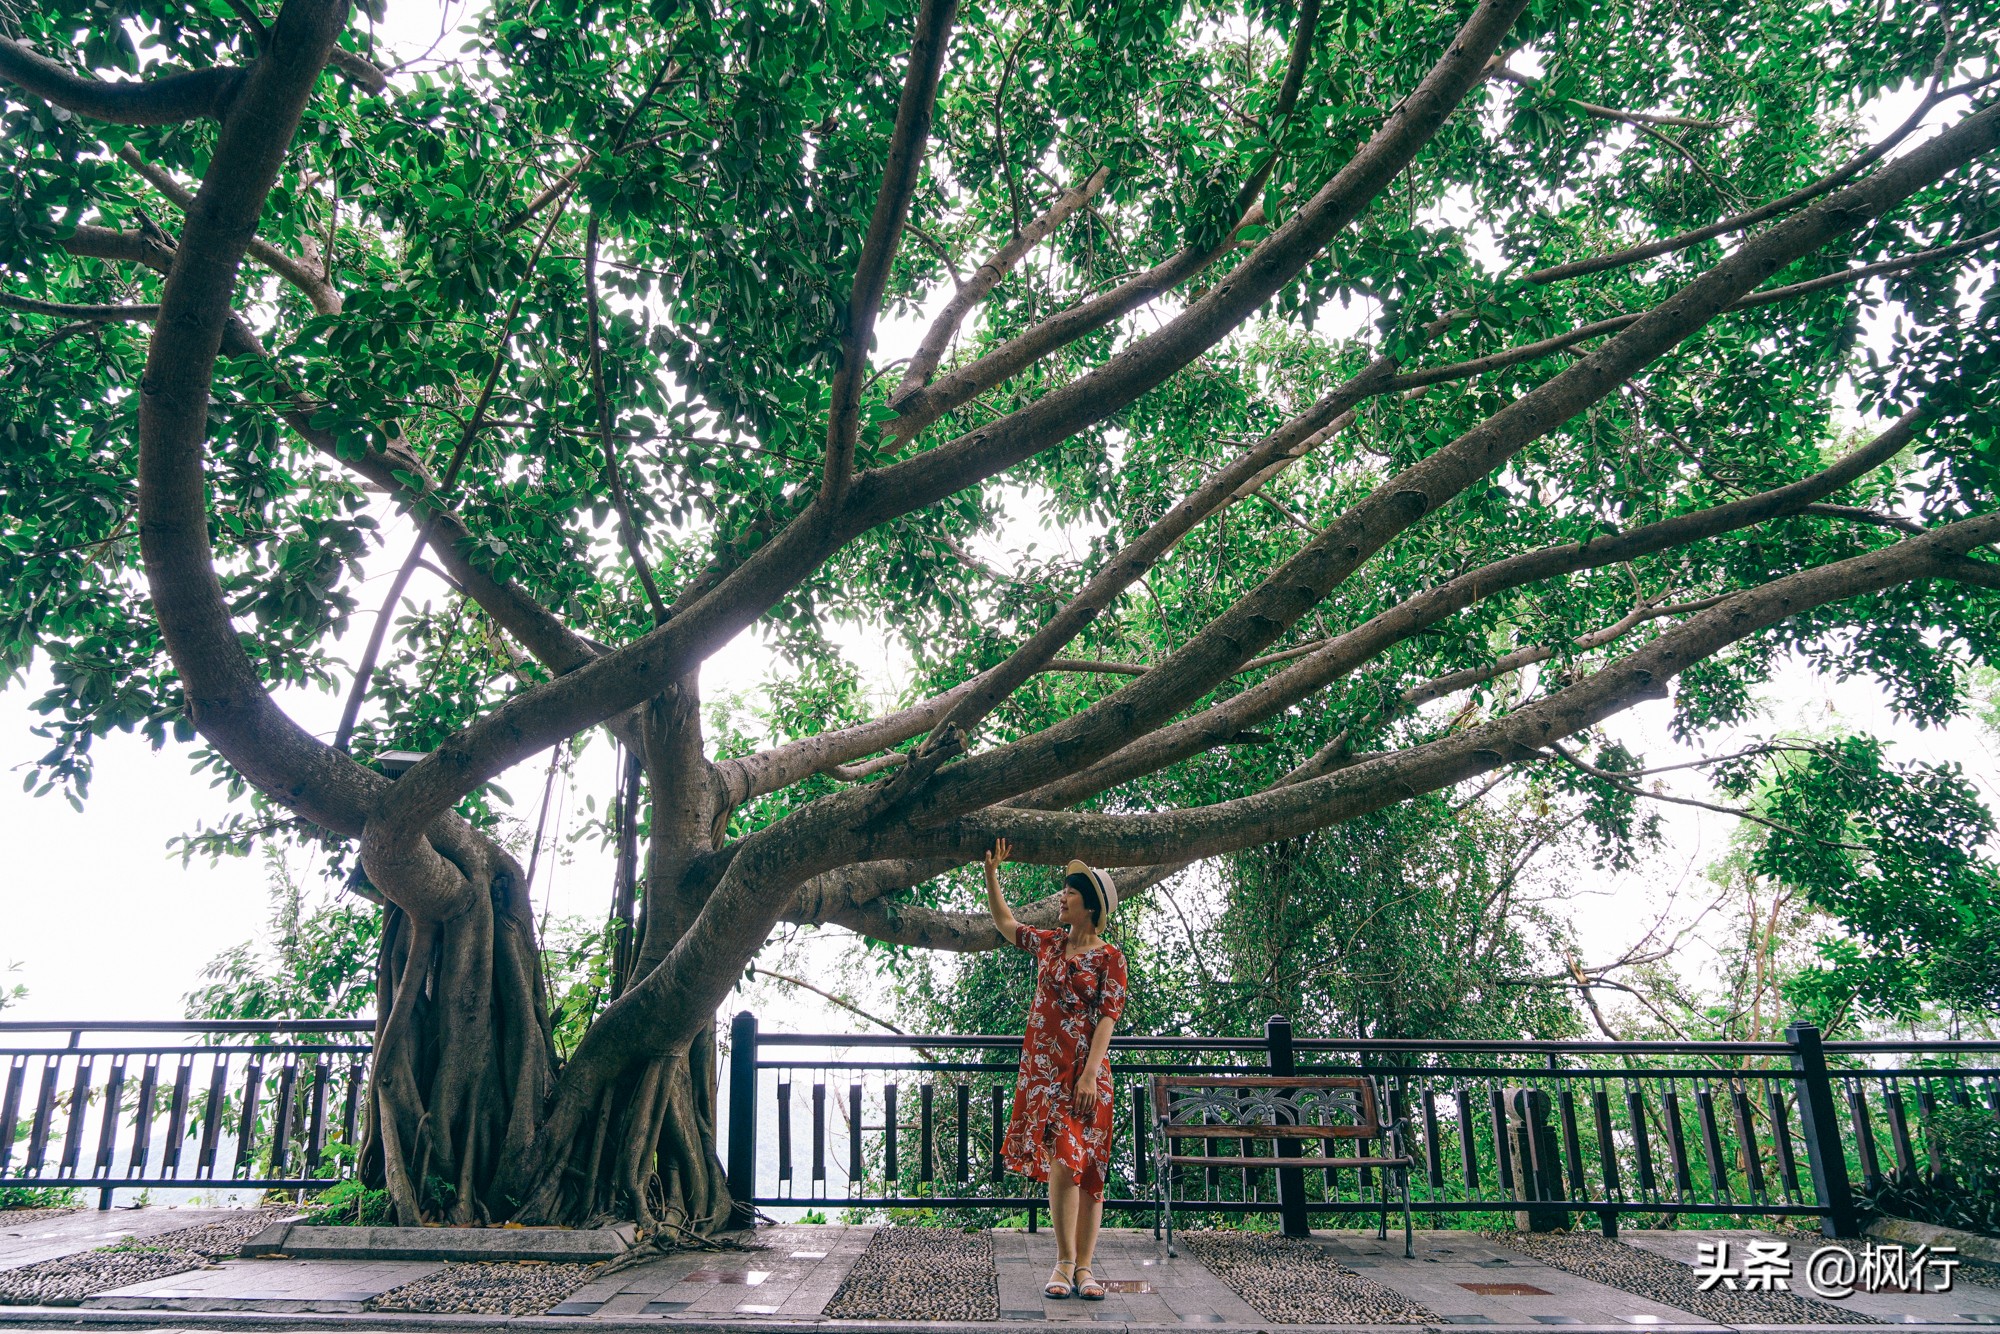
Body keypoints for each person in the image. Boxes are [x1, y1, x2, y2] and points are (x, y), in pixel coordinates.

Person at [984, 837, 1128, 1302]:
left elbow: (1107, 1017)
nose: (1061, 898)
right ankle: (1065, 1262)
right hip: (1045, 1077)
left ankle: (1084, 1268)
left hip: (1086, 1077)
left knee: (1088, 1168)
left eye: (1069, 893)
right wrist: (991, 875)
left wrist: (1089, 1074)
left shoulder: (1110, 957)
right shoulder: (1049, 944)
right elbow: (1006, 924)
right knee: (1063, 1162)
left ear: (1089, 906)